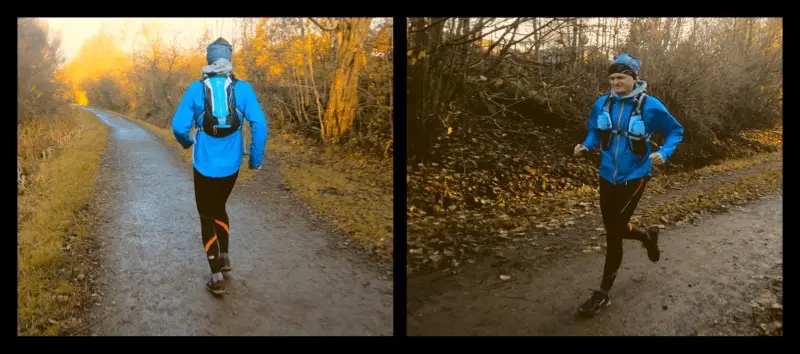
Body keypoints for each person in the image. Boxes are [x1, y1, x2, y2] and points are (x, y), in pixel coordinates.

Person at [573, 53, 684, 316]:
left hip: (635, 175)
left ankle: (602, 293)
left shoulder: (650, 105)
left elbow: (675, 131)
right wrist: (586, 145)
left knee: (613, 232)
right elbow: (593, 130)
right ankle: (646, 235)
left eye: (620, 77)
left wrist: (665, 153)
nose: (615, 82)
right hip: (606, 173)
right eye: (611, 78)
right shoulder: (602, 103)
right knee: (615, 226)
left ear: (633, 78)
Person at [171, 37, 268, 295]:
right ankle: (224, 259)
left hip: (204, 165)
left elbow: (178, 126)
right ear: (229, 58)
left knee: (206, 215)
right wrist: (255, 160)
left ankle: (216, 277)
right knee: (219, 207)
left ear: (208, 59)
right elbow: (260, 125)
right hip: (232, 166)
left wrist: (188, 141)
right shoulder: (243, 89)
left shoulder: (195, 89)